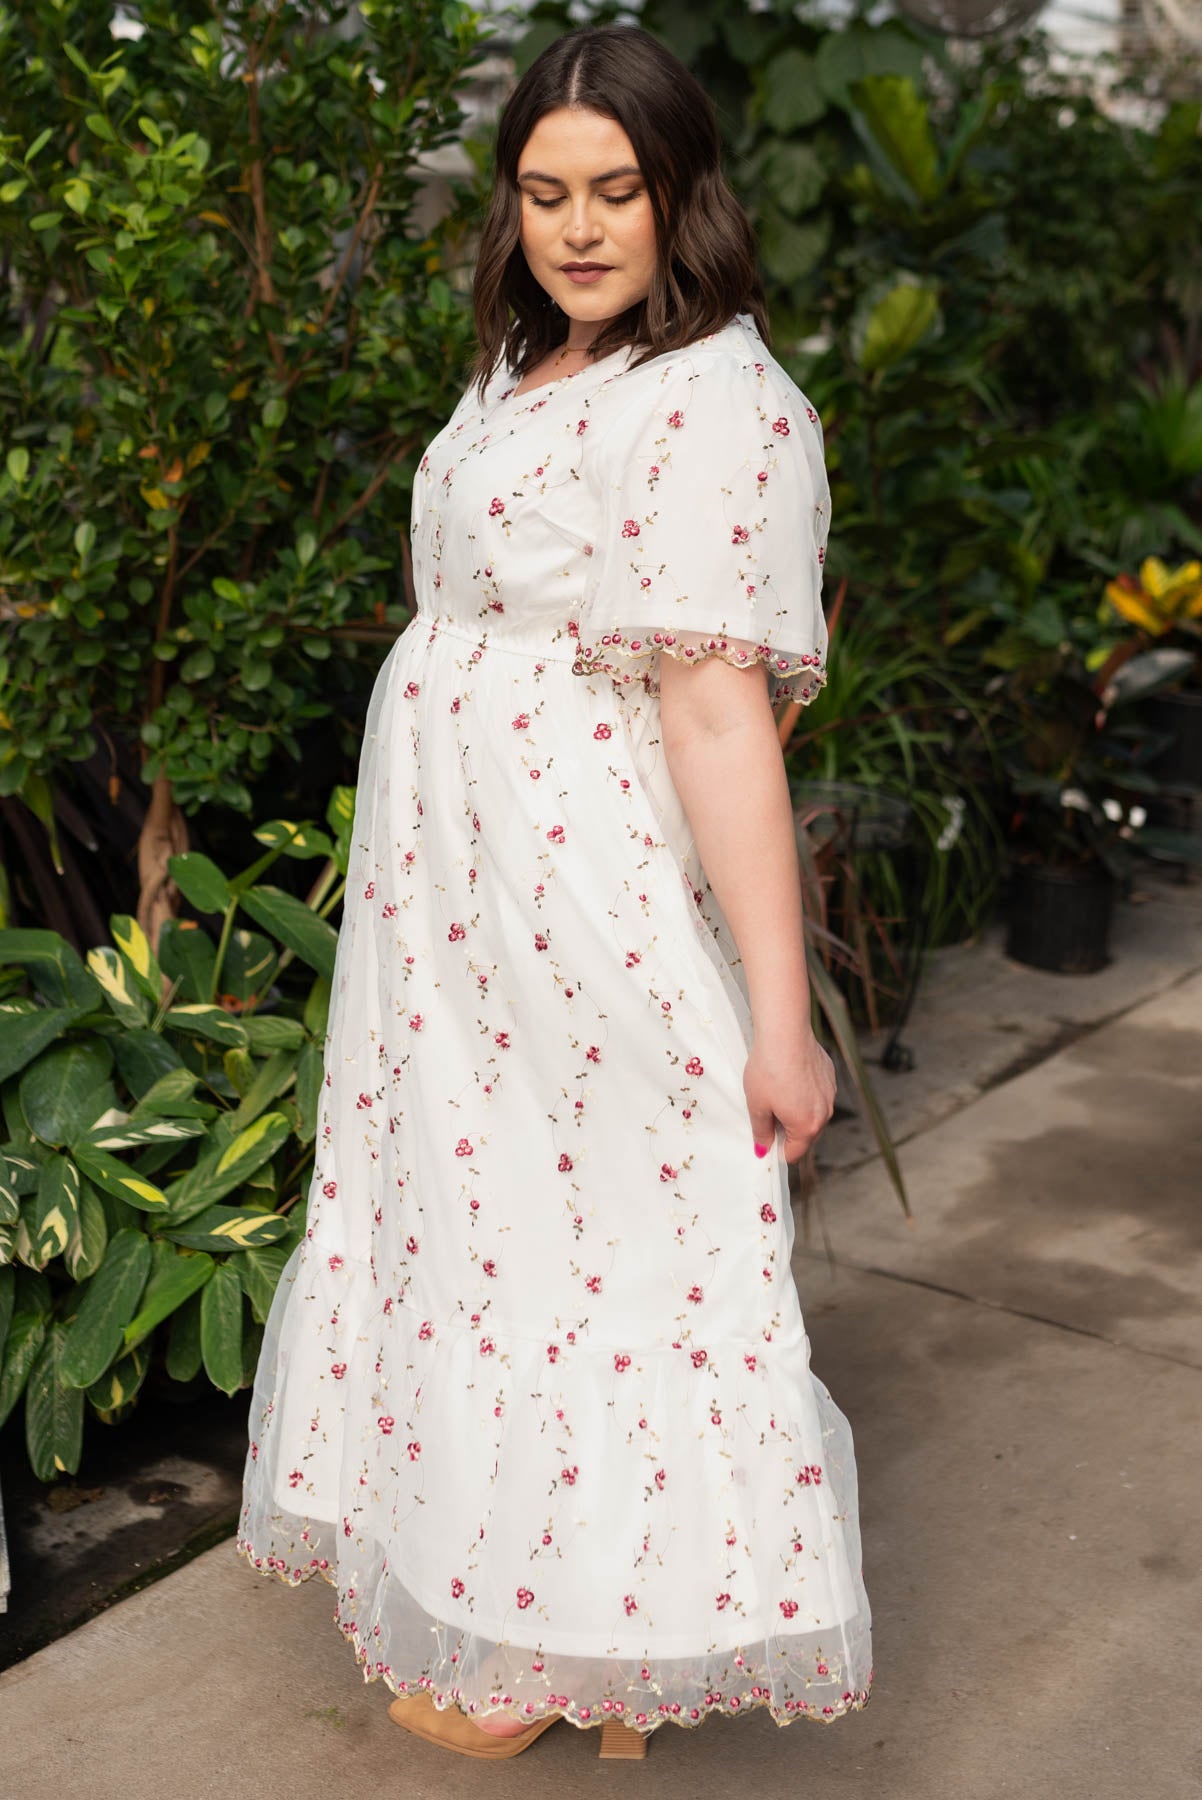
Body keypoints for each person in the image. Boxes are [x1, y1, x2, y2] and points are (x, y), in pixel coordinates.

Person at [237, 20, 874, 1763]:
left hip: (567, 880)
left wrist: (775, 1011)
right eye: (543, 192)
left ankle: (586, 1645)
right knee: (480, 1215)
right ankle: (504, 1589)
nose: (578, 228)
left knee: (606, 1228)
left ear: (683, 199)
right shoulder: (532, 362)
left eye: (617, 192)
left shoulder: (713, 400)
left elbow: (719, 712)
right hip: (444, 894)